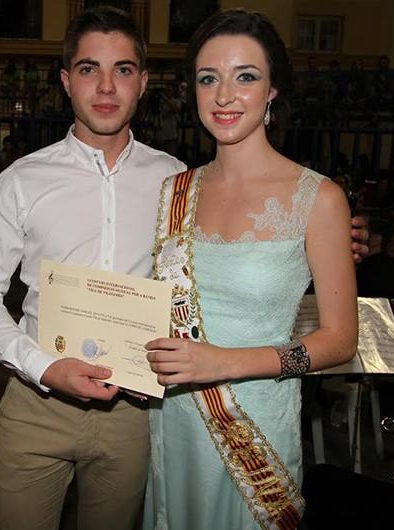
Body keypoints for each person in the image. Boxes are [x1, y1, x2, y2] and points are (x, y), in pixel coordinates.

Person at [0, 7, 367, 530]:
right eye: (89, 69)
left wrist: (330, 240)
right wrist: (40, 366)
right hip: (48, 398)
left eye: (123, 69)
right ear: (65, 81)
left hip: (142, 413)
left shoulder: (171, 179)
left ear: (144, 83)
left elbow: (271, 272)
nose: (107, 87)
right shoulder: (36, 180)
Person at [143, 11, 358, 530]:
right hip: (174, 421)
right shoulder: (174, 191)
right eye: (208, 78)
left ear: (272, 90)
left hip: (255, 429)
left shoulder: (319, 198)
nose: (224, 96)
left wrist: (224, 363)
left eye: (245, 76)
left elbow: (339, 342)